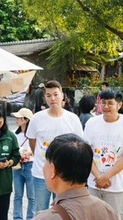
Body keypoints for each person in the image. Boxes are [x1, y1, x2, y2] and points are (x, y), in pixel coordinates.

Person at [26, 80, 83, 212]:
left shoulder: (72, 119)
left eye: (56, 94)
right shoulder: (37, 118)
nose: (52, 98)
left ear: (62, 95)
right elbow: (32, 141)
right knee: (40, 211)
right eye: (49, 95)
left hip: (65, 174)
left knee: (65, 210)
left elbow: (79, 144)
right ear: (44, 98)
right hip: (41, 173)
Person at [84, 88, 123, 220]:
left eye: (110, 103)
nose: (106, 107)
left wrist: (106, 177)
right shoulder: (92, 123)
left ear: (119, 105)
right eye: (103, 103)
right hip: (93, 185)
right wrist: (98, 177)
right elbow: (86, 151)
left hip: (116, 187)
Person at [10, 108, 35, 220]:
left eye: (19, 118)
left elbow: (37, 148)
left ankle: (31, 219)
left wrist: (29, 152)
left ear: (26, 120)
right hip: (18, 166)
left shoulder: (33, 133)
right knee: (18, 194)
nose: (17, 120)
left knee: (32, 195)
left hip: (30, 165)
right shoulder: (14, 133)